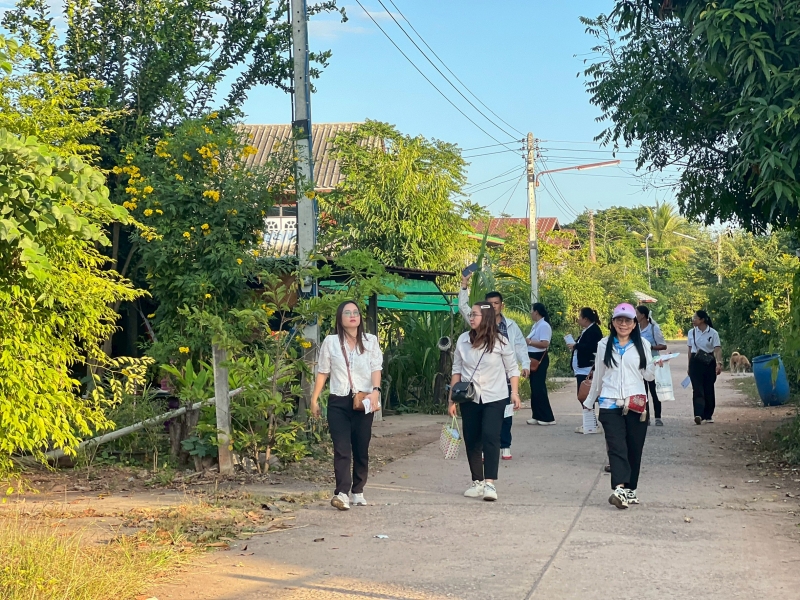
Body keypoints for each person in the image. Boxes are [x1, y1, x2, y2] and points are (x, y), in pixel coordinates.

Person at [585, 303, 660, 509]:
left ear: (635, 324)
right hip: (609, 403)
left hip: (636, 404)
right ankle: (618, 489)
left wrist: (656, 365)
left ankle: (630, 490)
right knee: (616, 447)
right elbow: (599, 376)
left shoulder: (643, 344)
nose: (623, 324)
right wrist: (589, 401)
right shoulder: (603, 344)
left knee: (634, 448)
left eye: (628, 320)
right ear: (613, 322)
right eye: (619, 320)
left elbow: (648, 376)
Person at [311, 301, 383, 511]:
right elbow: (323, 372)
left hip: (364, 400)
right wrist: (314, 399)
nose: (353, 316)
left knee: (361, 448)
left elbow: (376, 368)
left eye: (356, 312)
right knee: (341, 448)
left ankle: (358, 490)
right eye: (347, 313)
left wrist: (376, 391)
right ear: (340, 318)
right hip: (338, 401)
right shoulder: (331, 342)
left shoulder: (370, 341)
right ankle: (342, 492)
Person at [449, 303, 521, 501]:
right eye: (470, 315)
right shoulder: (463, 340)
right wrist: (451, 400)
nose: (471, 318)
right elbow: (456, 371)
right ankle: (477, 481)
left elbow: (512, 369)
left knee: (491, 436)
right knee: (472, 438)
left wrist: (515, 393)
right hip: (469, 397)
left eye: (475, 314)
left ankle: (490, 483)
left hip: (495, 396)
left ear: (486, 317)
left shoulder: (500, 341)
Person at [459, 275, 528, 460]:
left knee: (506, 414)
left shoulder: (510, 326)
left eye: (496, 303)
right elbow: (463, 307)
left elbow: (520, 345)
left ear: (501, 305)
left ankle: (505, 445)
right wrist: (464, 285)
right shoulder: (477, 322)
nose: (493, 306)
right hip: (482, 381)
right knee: (484, 418)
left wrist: (526, 364)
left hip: (505, 379)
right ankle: (484, 447)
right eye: (489, 304)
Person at [567, 307, 604, 434]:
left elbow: (592, 347)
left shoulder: (594, 331)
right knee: (585, 396)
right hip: (581, 368)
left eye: (580, 317)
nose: (578, 319)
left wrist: (577, 345)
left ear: (586, 319)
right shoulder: (587, 330)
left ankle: (591, 424)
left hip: (587, 368)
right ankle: (590, 423)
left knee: (585, 395)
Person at [687, 310, 723, 425]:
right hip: (695, 362)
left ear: (702, 320)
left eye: (695, 318)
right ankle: (698, 414)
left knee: (708, 388)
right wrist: (689, 365)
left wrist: (719, 363)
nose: (693, 320)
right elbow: (690, 349)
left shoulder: (713, 333)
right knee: (697, 388)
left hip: (708, 362)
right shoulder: (691, 332)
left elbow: (717, 349)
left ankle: (708, 414)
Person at [636, 305, 668, 426]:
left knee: (654, 391)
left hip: (653, 362)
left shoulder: (654, 328)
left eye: (637, 313)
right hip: (640, 363)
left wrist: (650, 347)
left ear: (643, 315)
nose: (635, 316)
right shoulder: (635, 328)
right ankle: (646, 416)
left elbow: (663, 345)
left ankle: (658, 417)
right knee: (643, 391)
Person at [526, 302, 555, 425]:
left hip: (539, 358)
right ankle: (537, 415)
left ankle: (547, 417)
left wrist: (530, 342)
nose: (530, 313)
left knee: (539, 387)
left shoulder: (544, 326)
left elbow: (545, 343)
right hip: (532, 357)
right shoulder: (536, 325)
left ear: (536, 312)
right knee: (534, 388)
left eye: (531, 311)